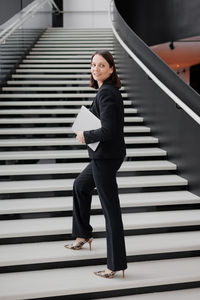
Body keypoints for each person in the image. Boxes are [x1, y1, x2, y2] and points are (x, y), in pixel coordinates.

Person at [64, 50, 127, 279]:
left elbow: (109, 131)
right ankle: (83, 234)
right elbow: (99, 118)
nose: (96, 68)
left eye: (102, 65)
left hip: (106, 157)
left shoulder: (107, 93)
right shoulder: (104, 92)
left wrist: (85, 136)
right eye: (93, 65)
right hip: (105, 156)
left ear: (111, 69)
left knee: (111, 211)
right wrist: (82, 124)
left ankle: (115, 265)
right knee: (80, 185)